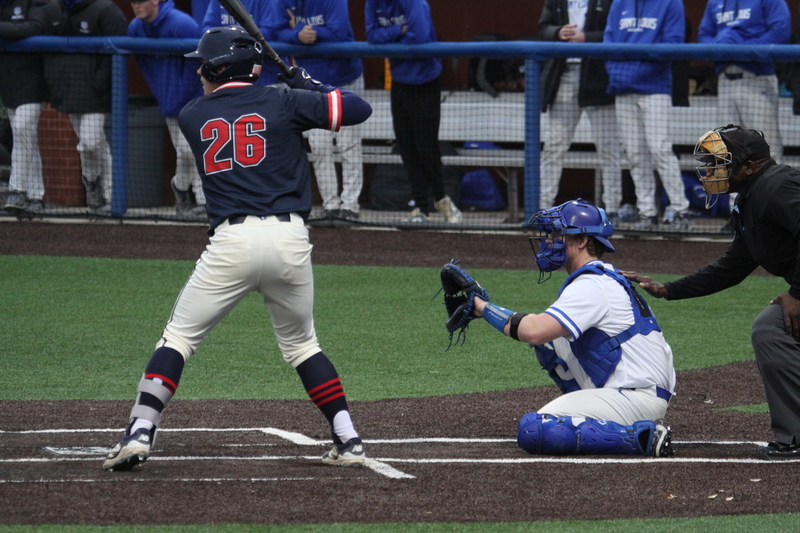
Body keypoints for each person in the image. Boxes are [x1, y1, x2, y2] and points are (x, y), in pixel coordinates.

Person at [102, 26, 372, 471]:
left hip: (232, 243)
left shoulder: (193, 115)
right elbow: (358, 108)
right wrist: (307, 84)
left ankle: (140, 430)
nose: (198, 73)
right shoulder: (285, 101)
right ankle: (348, 438)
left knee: (179, 339)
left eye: (203, 66)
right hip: (290, 241)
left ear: (217, 69)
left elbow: (243, 106)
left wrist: (294, 92)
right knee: (303, 346)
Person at [624, 125, 800, 461]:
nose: (709, 171)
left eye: (718, 163)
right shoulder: (751, 198)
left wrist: (798, 293)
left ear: (749, 167)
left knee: (772, 329)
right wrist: (669, 289)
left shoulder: (777, 186)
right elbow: (734, 266)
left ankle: (795, 437)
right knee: (774, 328)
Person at [466, 199, 676, 457]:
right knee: (551, 342)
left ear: (582, 241)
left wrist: (482, 307)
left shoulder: (593, 284)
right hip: (635, 392)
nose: (549, 241)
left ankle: (640, 438)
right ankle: (599, 417)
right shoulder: (599, 277)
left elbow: (533, 330)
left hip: (635, 396)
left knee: (536, 429)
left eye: (557, 234)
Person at [365, 0, 461, 224]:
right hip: (399, 81)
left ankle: (441, 198)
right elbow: (371, 36)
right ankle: (419, 207)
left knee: (426, 146)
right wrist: (399, 30)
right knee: (406, 146)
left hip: (425, 80)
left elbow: (418, 36)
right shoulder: (372, 3)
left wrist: (389, 38)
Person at [272, 0, 365, 222]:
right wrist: (297, 35)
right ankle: (330, 205)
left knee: (348, 147)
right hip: (311, 85)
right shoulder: (283, 1)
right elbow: (275, 32)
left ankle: (350, 206)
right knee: (320, 147)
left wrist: (299, 29)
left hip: (344, 80)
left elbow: (338, 33)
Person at [603, 0, 691, 229]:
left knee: (660, 149)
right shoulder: (619, 3)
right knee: (634, 153)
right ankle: (647, 212)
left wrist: (632, 67)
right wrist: (618, 72)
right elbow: (608, 43)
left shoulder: (671, 3)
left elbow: (672, 44)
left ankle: (680, 211)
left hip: (655, 87)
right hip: (623, 87)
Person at [698, 0, 790, 216]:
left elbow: (780, 31)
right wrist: (723, 45)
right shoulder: (715, 2)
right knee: (727, 151)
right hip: (725, 81)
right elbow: (704, 36)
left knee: (766, 150)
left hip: (756, 78)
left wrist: (741, 47)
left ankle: (773, 212)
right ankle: (738, 214)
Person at [537, 0, 622, 217]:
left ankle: (612, 209)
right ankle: (543, 207)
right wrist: (557, 32)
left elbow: (618, 31)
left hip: (598, 78)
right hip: (563, 75)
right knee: (554, 146)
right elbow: (543, 28)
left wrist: (587, 38)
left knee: (609, 148)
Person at [45, 0, 127, 214]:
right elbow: (46, 49)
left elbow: (118, 44)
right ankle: (104, 193)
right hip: (69, 88)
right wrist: (55, 80)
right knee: (96, 143)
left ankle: (93, 182)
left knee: (90, 143)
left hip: (94, 92)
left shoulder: (105, 9)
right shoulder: (54, 9)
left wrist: (99, 82)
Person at [128, 0, 206, 218]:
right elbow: (144, 64)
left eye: (141, 1)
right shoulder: (135, 28)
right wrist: (161, 92)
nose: (136, 6)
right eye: (133, 2)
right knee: (184, 152)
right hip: (169, 98)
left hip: (195, 98)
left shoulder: (181, 23)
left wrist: (181, 95)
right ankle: (181, 189)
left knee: (193, 150)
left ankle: (201, 199)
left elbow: (196, 65)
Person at [0, 0, 60, 214]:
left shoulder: (34, 1)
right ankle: (36, 196)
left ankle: (17, 190)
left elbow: (35, 27)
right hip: (8, 81)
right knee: (25, 137)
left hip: (33, 79)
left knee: (22, 128)